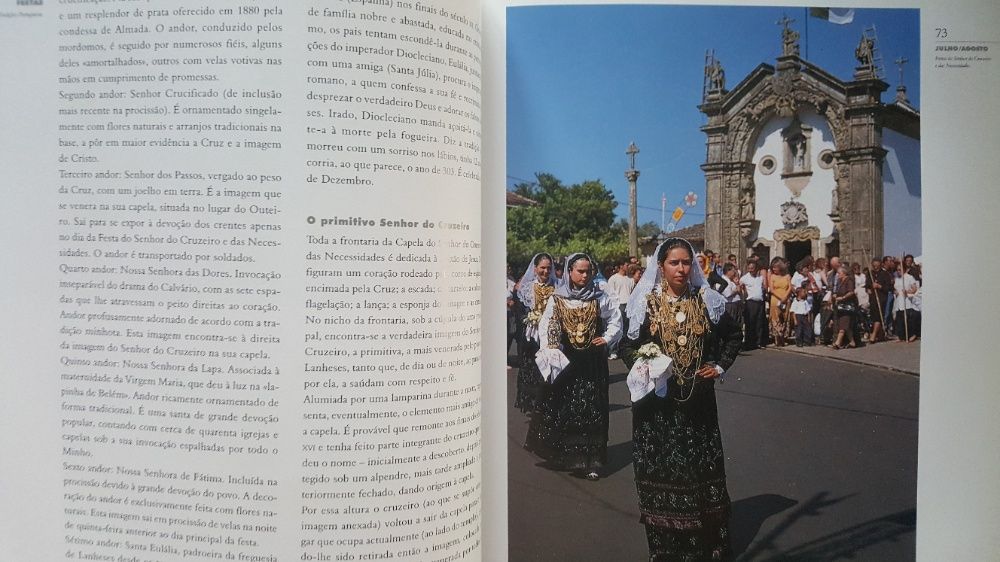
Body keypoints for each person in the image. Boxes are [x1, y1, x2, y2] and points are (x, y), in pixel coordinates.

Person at [621, 238, 742, 562]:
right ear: (661, 267)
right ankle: (665, 549)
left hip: (697, 405)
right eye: (674, 263)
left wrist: (719, 365)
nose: (681, 269)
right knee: (662, 475)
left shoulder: (706, 301)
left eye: (686, 262)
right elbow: (627, 346)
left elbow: (733, 335)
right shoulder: (645, 303)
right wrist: (646, 362)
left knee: (698, 474)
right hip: (656, 409)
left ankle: (704, 547)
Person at [528, 253, 621, 480]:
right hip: (568, 360)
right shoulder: (558, 298)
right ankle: (568, 456)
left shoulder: (600, 297)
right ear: (569, 272)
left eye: (588, 271)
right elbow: (548, 324)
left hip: (592, 362)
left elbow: (616, 320)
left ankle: (591, 461)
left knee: (592, 409)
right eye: (580, 271)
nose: (584, 275)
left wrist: (607, 339)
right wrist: (551, 346)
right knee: (567, 407)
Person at [513, 253, 556, 413]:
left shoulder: (557, 287)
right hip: (531, 334)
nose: (545, 271)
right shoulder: (527, 288)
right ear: (535, 268)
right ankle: (532, 402)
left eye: (548, 268)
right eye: (542, 268)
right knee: (531, 367)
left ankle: (547, 401)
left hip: (551, 335)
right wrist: (530, 319)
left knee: (549, 368)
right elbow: (521, 311)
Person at [607, 261, 636, 360]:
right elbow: (610, 294)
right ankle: (613, 350)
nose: (628, 267)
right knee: (617, 329)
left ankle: (625, 349)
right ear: (621, 266)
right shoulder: (613, 279)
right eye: (626, 265)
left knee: (627, 329)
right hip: (618, 305)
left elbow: (632, 293)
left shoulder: (630, 280)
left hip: (629, 305)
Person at [739, 260, 767, 350]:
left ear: (756, 269)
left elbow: (764, 288)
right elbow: (740, 287)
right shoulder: (744, 278)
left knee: (759, 322)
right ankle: (749, 343)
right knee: (750, 323)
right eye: (749, 268)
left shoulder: (760, 277)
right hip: (750, 302)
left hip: (760, 302)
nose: (751, 270)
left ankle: (758, 342)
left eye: (752, 268)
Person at [829, 265, 858, 349]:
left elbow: (851, 292)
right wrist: (835, 296)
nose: (837, 275)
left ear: (844, 273)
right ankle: (852, 342)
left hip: (847, 307)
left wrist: (843, 297)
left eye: (839, 273)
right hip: (840, 307)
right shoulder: (839, 282)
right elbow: (838, 292)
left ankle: (837, 343)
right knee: (846, 326)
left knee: (843, 325)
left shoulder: (849, 281)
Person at [767, 258, 792, 347]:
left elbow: (790, 287)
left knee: (785, 318)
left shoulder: (787, 276)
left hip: (786, 299)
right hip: (776, 299)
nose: (774, 269)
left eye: (775, 267)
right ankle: (777, 338)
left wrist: (785, 297)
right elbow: (772, 290)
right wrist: (781, 297)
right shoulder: (772, 276)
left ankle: (783, 337)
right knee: (775, 318)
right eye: (773, 267)